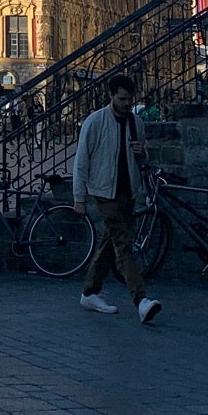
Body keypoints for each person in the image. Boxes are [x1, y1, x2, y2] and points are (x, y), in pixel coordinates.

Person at [73, 73, 160, 324]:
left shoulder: (136, 122)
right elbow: (81, 161)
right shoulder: (95, 122)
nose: (126, 104)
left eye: (129, 99)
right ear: (111, 96)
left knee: (109, 243)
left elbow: (143, 160)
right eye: (121, 99)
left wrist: (142, 153)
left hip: (128, 191)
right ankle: (141, 299)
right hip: (103, 192)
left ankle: (90, 292)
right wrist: (79, 197)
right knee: (123, 244)